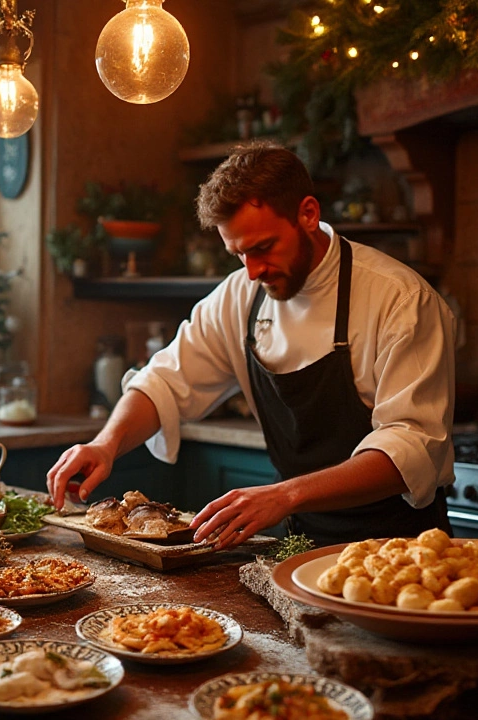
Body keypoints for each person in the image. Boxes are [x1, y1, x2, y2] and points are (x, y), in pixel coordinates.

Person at [46, 144, 456, 549]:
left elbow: (410, 448)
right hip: (301, 546)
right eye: (238, 254)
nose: (253, 270)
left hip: (403, 550)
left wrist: (285, 495)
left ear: (308, 214)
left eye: (262, 248)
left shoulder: (400, 300)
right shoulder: (240, 296)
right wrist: (107, 442)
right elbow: (165, 381)